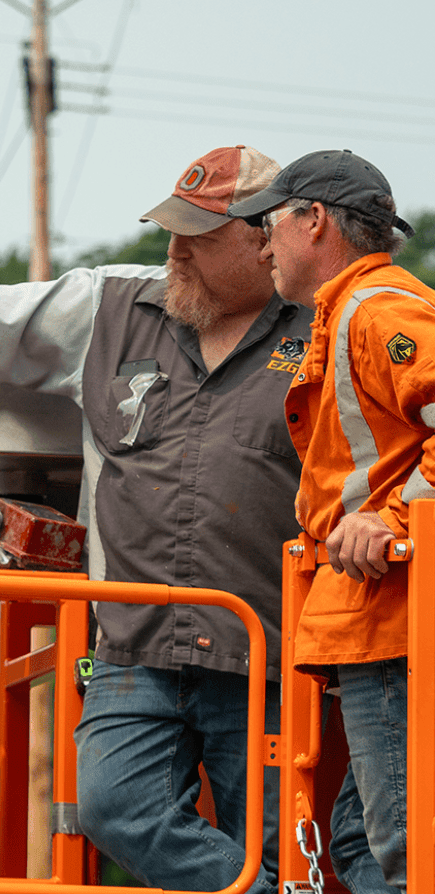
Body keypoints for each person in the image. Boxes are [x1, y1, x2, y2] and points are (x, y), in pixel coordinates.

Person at [0, 145, 313, 892]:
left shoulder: (322, 331)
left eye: (199, 236)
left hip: (264, 653)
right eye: (171, 229)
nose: (175, 250)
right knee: (114, 805)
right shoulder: (112, 305)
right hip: (133, 645)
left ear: (265, 239)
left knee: (287, 844)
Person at [228, 149, 421, 892]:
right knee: (361, 841)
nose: (263, 245)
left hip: (395, 620)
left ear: (314, 221)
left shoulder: (378, 311)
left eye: (271, 225)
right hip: (374, 621)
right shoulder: (348, 314)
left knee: (403, 847)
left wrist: (393, 518)